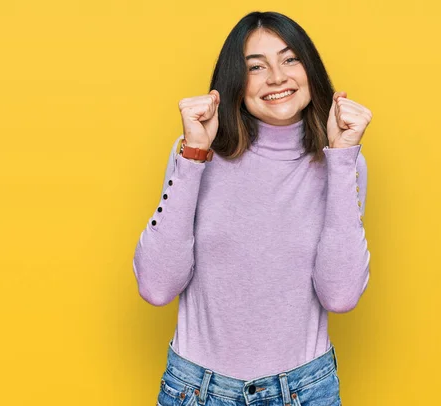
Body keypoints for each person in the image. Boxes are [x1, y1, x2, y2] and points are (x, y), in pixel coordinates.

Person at [133, 10, 373, 406]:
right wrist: (192, 156)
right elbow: (157, 286)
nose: (277, 77)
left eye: (290, 59)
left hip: (305, 390)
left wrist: (343, 159)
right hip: (197, 390)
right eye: (256, 67)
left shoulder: (341, 164)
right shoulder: (197, 155)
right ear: (234, 84)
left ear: (310, 69)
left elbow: (341, 295)